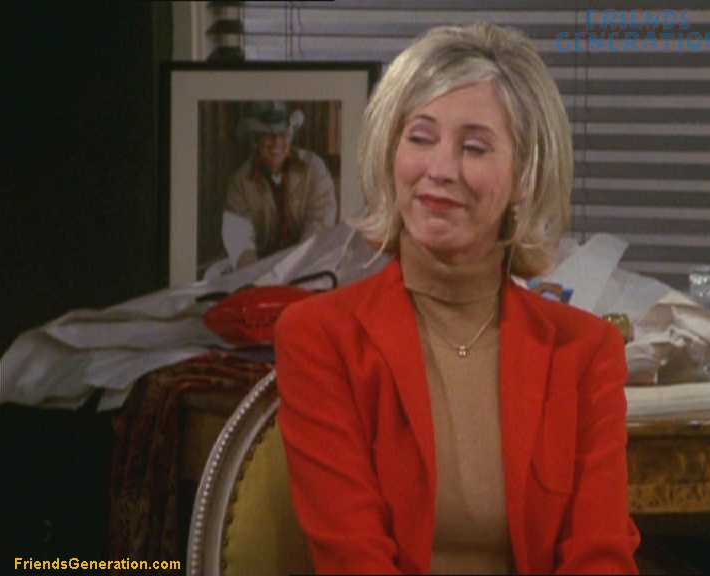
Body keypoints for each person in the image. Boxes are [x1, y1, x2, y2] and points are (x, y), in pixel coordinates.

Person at [274, 23, 640, 575]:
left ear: (524, 177)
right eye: (420, 138)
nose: (439, 171)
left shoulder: (587, 352)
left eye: (474, 147)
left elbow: (600, 557)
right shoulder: (320, 337)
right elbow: (353, 560)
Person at [222, 100, 337, 269]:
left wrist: (296, 269)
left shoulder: (314, 168)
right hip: (261, 268)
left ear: (290, 136)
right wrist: (255, 275)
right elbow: (239, 240)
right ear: (255, 139)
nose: (277, 142)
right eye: (268, 134)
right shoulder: (240, 182)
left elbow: (320, 224)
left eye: (283, 134)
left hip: (308, 264)